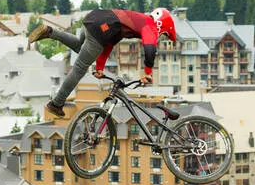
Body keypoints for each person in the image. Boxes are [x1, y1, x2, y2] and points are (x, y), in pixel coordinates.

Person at [28, 8, 178, 119]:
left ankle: (50, 32)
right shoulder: (150, 25)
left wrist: (100, 68)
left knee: (81, 48)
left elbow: (108, 45)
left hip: (92, 19)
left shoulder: (133, 22)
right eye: (164, 34)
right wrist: (148, 72)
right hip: (101, 29)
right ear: (161, 25)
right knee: (80, 68)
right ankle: (56, 103)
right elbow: (150, 48)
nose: (160, 37)